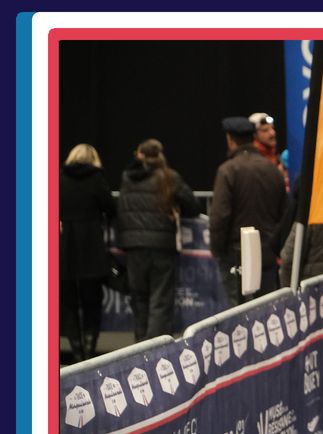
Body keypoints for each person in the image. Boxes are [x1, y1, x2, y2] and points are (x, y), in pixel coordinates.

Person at [116, 138, 201, 341]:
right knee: (160, 301)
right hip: (161, 245)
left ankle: (140, 349)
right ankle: (156, 350)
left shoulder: (127, 177)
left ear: (140, 155)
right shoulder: (169, 177)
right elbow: (193, 206)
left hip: (133, 246)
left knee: (139, 300)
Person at [210, 116, 288, 304]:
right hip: (267, 254)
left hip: (236, 256)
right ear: (253, 138)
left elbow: (220, 216)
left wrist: (218, 250)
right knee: (267, 311)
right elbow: (284, 214)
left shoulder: (228, 170)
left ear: (230, 139)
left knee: (238, 312)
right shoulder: (273, 170)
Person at [59, 143, 116, 361]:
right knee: (92, 302)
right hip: (91, 248)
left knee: (68, 303)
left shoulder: (58, 179)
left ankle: (76, 352)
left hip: (63, 248)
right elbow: (110, 207)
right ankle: (90, 354)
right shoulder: (96, 179)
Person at [248, 111, 290, 190]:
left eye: (272, 128)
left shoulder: (278, 158)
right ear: (254, 135)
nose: (272, 133)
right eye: (265, 130)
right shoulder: (250, 161)